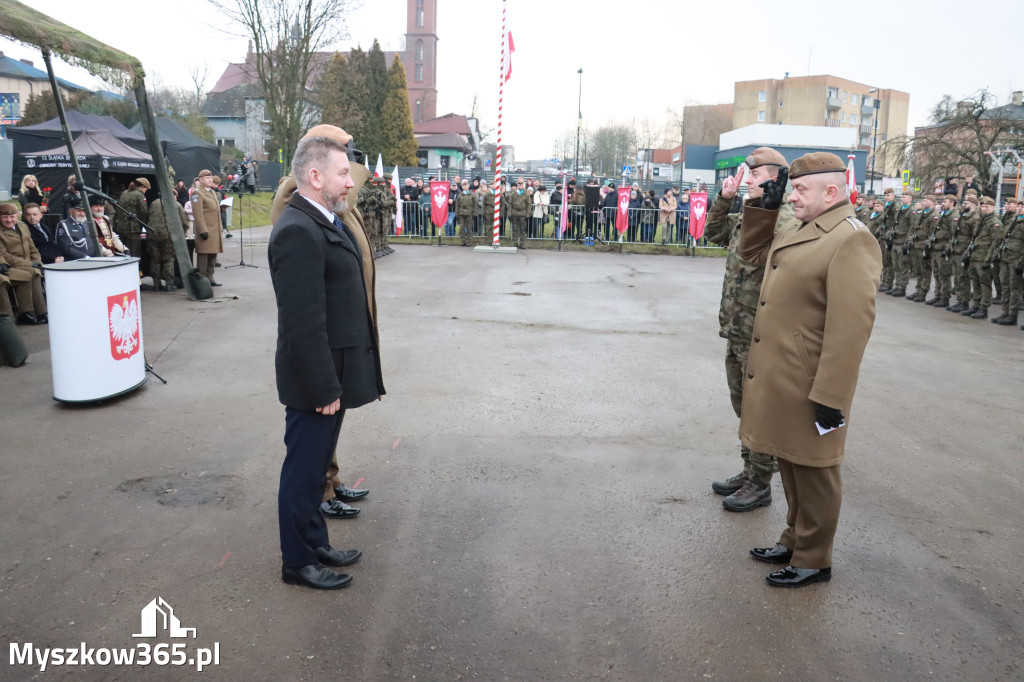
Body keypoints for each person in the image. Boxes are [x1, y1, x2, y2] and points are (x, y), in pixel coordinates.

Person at [738, 152, 882, 588]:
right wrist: (764, 208)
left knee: (816, 471)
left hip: (812, 381)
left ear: (832, 192)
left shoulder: (851, 238)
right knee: (790, 462)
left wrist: (831, 396)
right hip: (784, 374)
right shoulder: (804, 228)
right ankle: (794, 538)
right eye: (791, 189)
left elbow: (850, 328)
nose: (792, 197)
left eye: (800, 190)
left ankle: (814, 557)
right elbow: (753, 253)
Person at [268, 127, 384, 590]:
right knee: (302, 472)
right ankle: (296, 561)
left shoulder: (322, 218)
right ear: (315, 176)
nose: (351, 181)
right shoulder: (298, 229)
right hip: (315, 380)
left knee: (316, 469)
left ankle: (314, 543)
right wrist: (323, 388)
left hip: (333, 372)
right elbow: (302, 324)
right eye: (342, 173)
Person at [705, 148, 793, 512]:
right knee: (743, 405)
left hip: (760, 330)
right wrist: (725, 199)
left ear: (772, 178)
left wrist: (769, 211)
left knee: (759, 409)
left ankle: (761, 483)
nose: (746, 182)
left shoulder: (784, 217)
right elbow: (713, 234)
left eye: (752, 177)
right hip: (737, 327)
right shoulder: (752, 213)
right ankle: (749, 470)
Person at [0, 203, 48, 325]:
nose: (9, 220)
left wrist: (37, 262)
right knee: (28, 273)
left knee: (35, 272)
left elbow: (33, 248)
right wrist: (30, 264)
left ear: (17, 216)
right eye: (5, 217)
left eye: (12, 217)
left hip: (25, 263)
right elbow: (5, 256)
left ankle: (41, 312)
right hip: (12, 265)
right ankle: (24, 314)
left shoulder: (23, 227)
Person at [961, 197, 1001, 320]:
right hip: (975, 256)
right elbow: (974, 239)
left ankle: (984, 308)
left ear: (993, 208)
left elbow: (995, 243)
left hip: (984, 257)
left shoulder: (995, 223)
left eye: (987, 207)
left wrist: (988, 260)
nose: (984, 209)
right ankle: (976, 305)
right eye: (982, 207)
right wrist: (968, 253)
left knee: (985, 284)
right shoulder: (980, 220)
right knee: (975, 282)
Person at [991, 199, 1023, 325]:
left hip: (1016, 259)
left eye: (1022, 207)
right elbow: (1005, 239)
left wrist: (1021, 263)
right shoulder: (1015, 220)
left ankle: (1012, 315)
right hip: (1005, 257)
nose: (1020, 208)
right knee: (1005, 286)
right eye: (1019, 206)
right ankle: (1005, 312)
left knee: (1014, 288)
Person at [148, 193, 187, 292]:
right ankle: (169, 284)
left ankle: (157, 284)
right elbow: (184, 221)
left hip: (153, 234)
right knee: (168, 259)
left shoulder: (154, 203)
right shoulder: (176, 204)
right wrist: (182, 234)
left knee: (155, 260)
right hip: (168, 235)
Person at [191, 170, 224, 286]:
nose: (210, 180)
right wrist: (203, 230)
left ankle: (210, 277)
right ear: (200, 180)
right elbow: (198, 214)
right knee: (204, 256)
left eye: (210, 178)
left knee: (213, 256)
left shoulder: (212, 192)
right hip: (205, 230)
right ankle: (201, 279)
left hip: (215, 230)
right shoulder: (197, 193)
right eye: (207, 178)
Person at [925, 194, 958, 308]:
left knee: (944, 275)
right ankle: (938, 295)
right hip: (936, 247)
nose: (942, 203)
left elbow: (953, 234)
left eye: (945, 201)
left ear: (952, 203)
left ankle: (944, 297)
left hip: (943, 248)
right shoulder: (944, 214)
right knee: (937, 274)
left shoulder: (954, 216)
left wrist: (948, 248)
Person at [54, 196, 102, 262]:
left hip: (93, 260)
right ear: (71, 211)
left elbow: (95, 241)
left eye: (84, 211)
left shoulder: (88, 223)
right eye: (79, 211)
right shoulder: (64, 225)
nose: (82, 214)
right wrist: (84, 257)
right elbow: (66, 247)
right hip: (75, 262)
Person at [508, 179, 532, 248]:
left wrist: (527, 214)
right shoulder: (513, 194)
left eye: (521, 185)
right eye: (518, 185)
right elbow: (510, 204)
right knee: (514, 230)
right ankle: (515, 243)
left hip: (522, 214)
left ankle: (522, 244)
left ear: (523, 186)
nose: (519, 186)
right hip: (514, 214)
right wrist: (509, 213)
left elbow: (529, 205)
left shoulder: (526, 195)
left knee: (522, 230)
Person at [456, 179, 476, 246]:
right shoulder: (460, 195)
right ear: (462, 187)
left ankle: (469, 242)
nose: (465, 187)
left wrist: (474, 213)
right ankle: (463, 241)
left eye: (466, 185)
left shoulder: (472, 194)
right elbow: (457, 205)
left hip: (469, 213)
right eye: (463, 185)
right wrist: (457, 213)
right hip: (461, 213)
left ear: (468, 185)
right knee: (461, 228)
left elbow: (475, 204)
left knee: (469, 228)